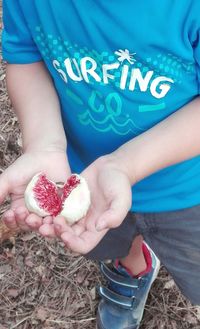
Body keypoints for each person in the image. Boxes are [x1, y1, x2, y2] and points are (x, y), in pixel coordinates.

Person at [1, 1, 200, 328]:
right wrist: (44, 143)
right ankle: (135, 265)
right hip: (87, 177)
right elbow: (26, 55)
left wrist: (126, 165)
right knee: (113, 237)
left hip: (187, 189)